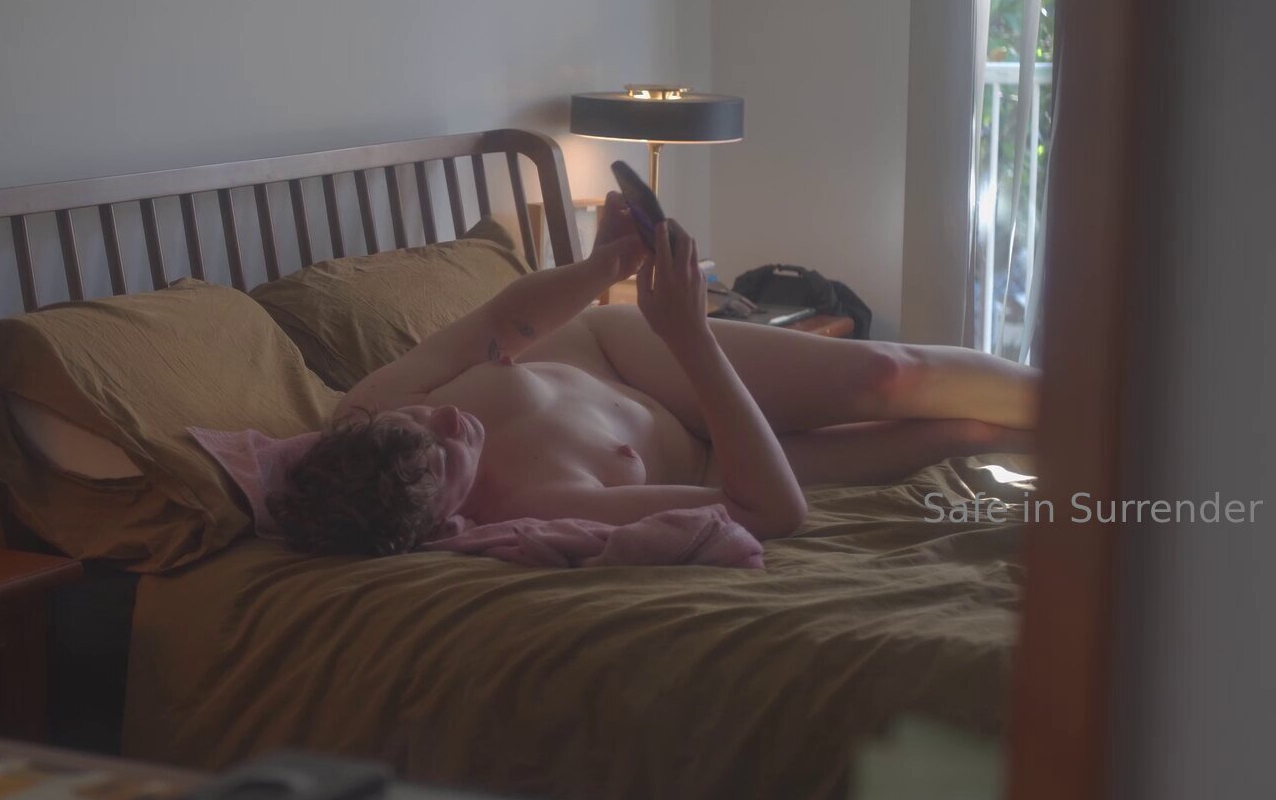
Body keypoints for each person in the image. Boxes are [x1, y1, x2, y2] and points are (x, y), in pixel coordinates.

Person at [268, 191, 1039, 556]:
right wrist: (694, 339)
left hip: (627, 357)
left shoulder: (370, 407)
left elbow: (501, 320)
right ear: (442, 517)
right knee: (961, 438)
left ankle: (1102, 396)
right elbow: (774, 511)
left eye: (418, 419)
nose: (445, 417)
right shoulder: (534, 503)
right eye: (446, 452)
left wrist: (605, 267)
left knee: (884, 374)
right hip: (711, 456)